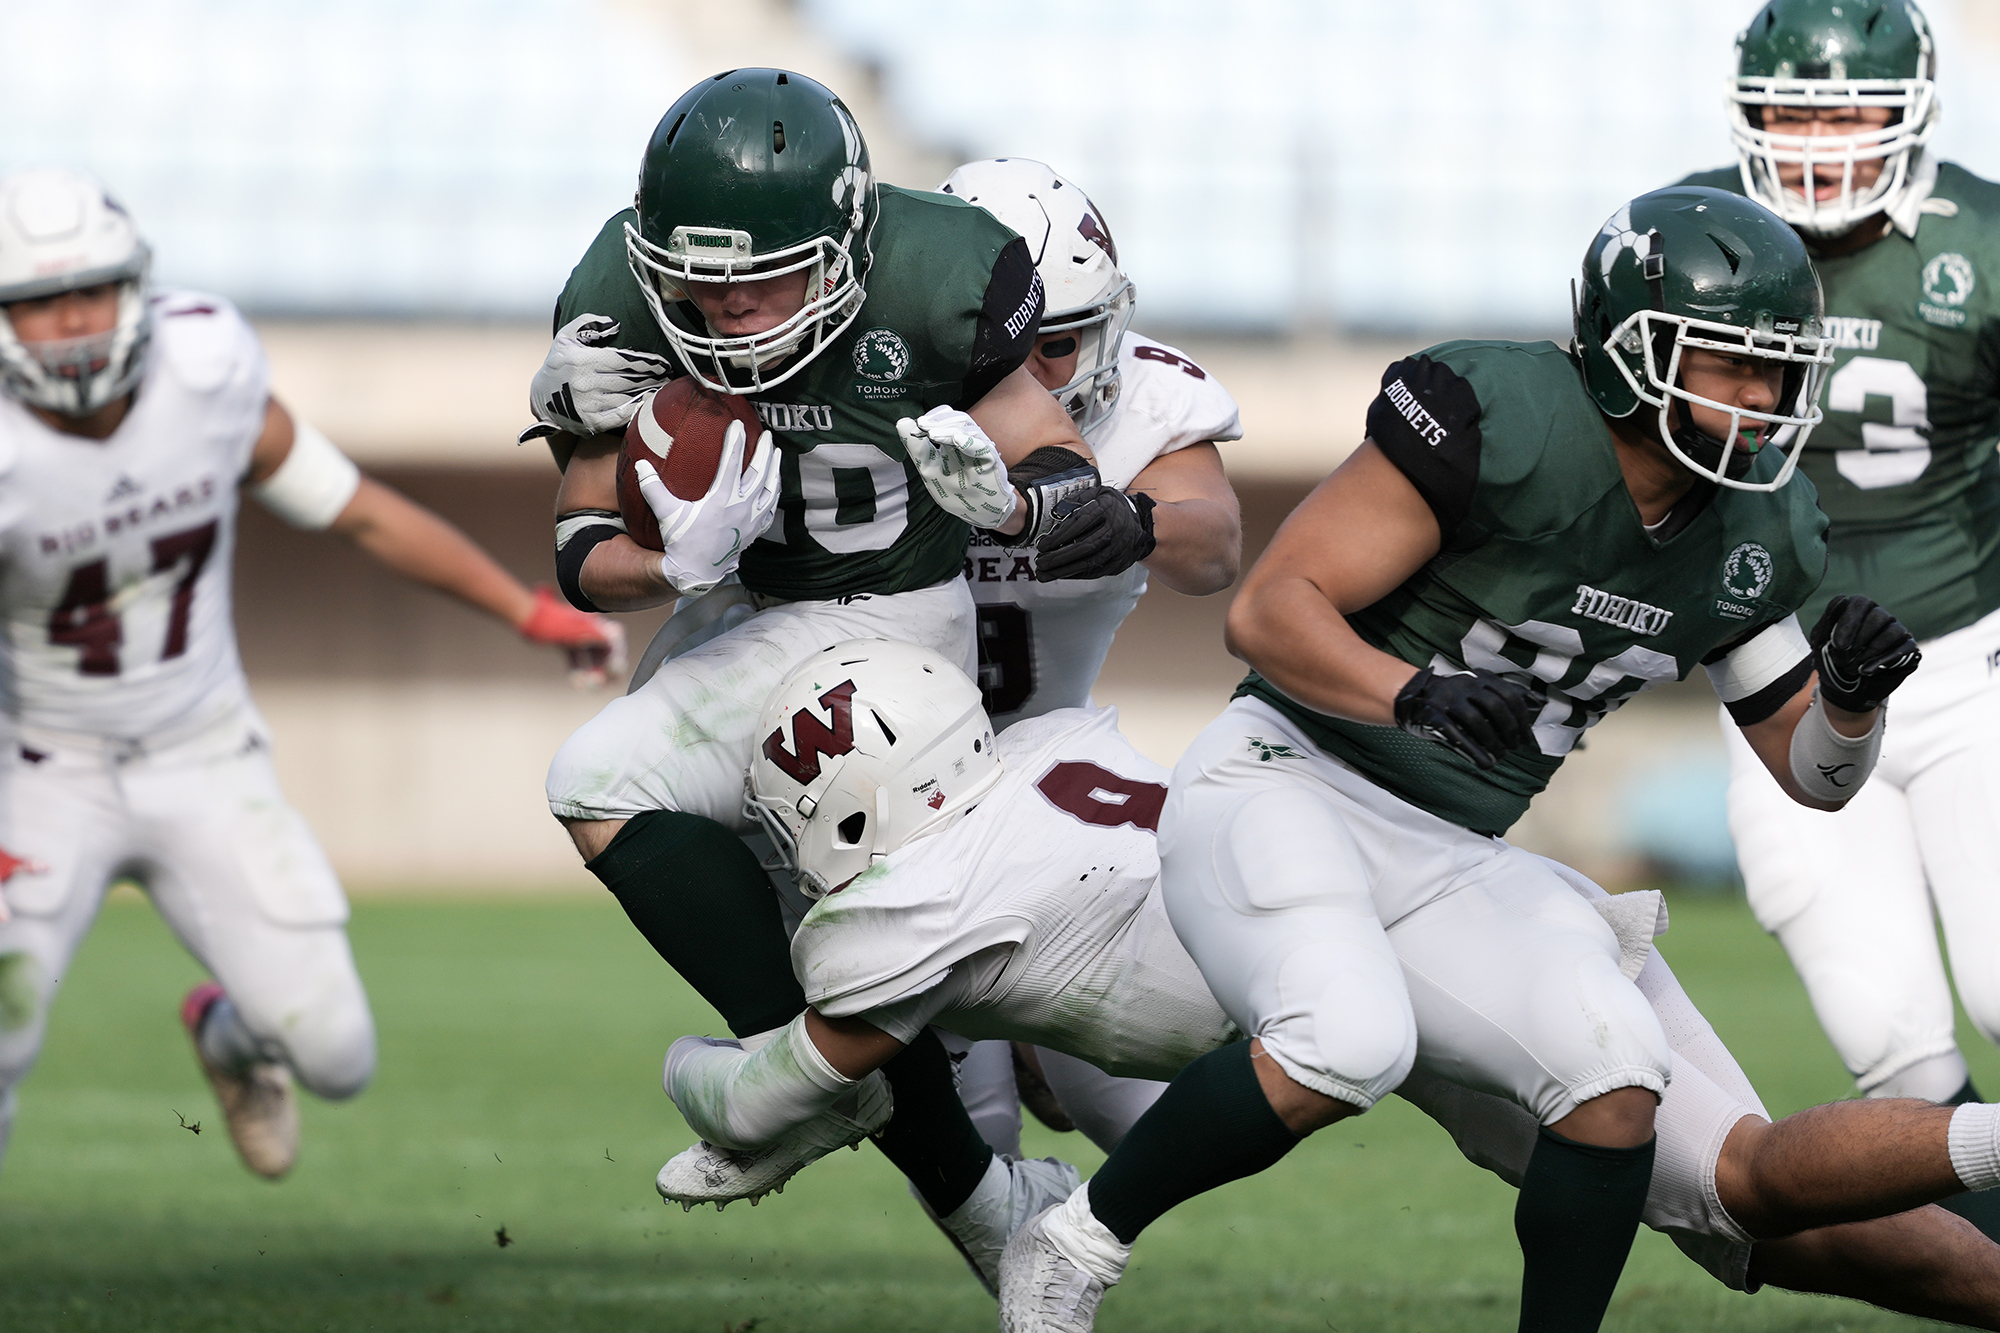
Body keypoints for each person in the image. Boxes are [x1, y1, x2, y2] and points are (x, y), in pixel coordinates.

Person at [994, 183, 1929, 1333]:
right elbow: (1271, 613)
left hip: (1449, 852)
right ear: (1629, 351)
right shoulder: (1507, 417)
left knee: (1614, 1068)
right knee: (1345, 1039)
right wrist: (1412, 691)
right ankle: (1072, 1242)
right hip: (1287, 774)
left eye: (1777, 372)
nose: (1760, 400)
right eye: (1727, 364)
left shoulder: (1753, 528)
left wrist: (1846, 709)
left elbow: (1813, 777)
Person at [664, 639, 2000, 1327]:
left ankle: (1072, 1245)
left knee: (1744, 1194)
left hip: (1393, 974)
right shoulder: (1055, 749)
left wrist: (696, 1083)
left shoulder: (914, 899)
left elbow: (773, 1088)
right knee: (1750, 1201)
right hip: (1454, 890)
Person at [522, 70, 1138, 1266]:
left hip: (892, 622)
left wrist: (1029, 503)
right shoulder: (619, 290)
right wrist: (668, 565)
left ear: (850, 233)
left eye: (765, 276)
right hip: (740, 617)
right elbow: (577, 542)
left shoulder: (941, 272)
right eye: (700, 281)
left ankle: (832, 1094)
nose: (730, 308)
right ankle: (831, 1095)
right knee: (594, 783)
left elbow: (1055, 455)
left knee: (869, 959)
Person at [0, 167, 620, 1179]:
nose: (72, 323)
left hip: (204, 753)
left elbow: (357, 507)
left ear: (137, 289)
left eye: (92, 292)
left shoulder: (203, 371)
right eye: (37, 304)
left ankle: (231, 1038)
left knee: (336, 1051)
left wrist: (523, 609)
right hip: (37, 770)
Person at [1681, 0, 2000, 1117]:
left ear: (1905, 114)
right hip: (1779, 675)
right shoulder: (1689, 236)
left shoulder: (1983, 243)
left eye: (1846, 116)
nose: (1814, 149)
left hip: (1972, 662)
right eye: (1788, 117)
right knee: (1888, 1040)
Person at [928, 157, 1243, 1160]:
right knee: (963, 1121)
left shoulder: (1147, 398)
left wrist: (1136, 520)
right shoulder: (880, 387)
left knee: (1132, 1108)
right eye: (1009, 349)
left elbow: (1216, 544)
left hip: (1048, 753)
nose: (1035, 377)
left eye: (1057, 344)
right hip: (887, 771)